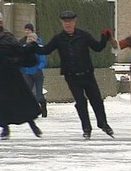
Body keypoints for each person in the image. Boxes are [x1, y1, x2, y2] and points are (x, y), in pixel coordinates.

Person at [33, 10, 114, 139]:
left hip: (87, 74)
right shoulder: (59, 39)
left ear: (74, 22)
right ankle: (86, 128)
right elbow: (46, 50)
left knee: (96, 100)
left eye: (70, 22)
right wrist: (33, 46)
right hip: (71, 76)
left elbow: (97, 47)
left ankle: (103, 124)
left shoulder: (83, 35)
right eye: (65, 22)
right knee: (81, 102)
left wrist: (105, 38)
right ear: (62, 23)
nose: (68, 24)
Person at [0, 9, 42, 140]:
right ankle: (4, 128)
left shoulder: (7, 37)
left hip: (10, 75)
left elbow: (18, 52)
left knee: (21, 100)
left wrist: (27, 51)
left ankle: (32, 124)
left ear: (0, 22)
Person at [19, 24, 48, 117]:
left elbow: (43, 60)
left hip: (37, 73)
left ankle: (43, 108)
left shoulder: (38, 47)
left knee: (39, 93)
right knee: (28, 92)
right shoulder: (24, 47)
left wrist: (39, 69)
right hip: (27, 73)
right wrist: (23, 70)